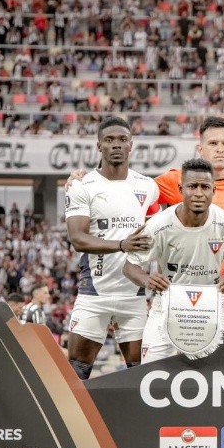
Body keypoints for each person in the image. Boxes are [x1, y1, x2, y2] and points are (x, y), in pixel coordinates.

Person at [66, 116, 224, 342]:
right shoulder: (175, 180)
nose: (219, 149)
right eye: (213, 143)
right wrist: (84, 179)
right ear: (200, 148)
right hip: (182, 294)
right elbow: (132, 189)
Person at [64, 116, 159, 379]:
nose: (116, 145)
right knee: (77, 374)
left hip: (134, 297)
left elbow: (161, 227)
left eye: (122, 140)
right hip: (94, 295)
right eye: (109, 140)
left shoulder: (148, 186)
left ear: (131, 145)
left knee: (143, 377)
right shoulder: (82, 186)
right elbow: (78, 238)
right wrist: (121, 244)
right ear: (99, 146)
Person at [124, 158, 224, 363]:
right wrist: (146, 279)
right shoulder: (158, 226)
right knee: (150, 374)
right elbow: (129, 267)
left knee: (216, 377)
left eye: (205, 187)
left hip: (209, 306)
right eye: (192, 186)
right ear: (180, 188)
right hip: (166, 305)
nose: (198, 193)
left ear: (214, 190)